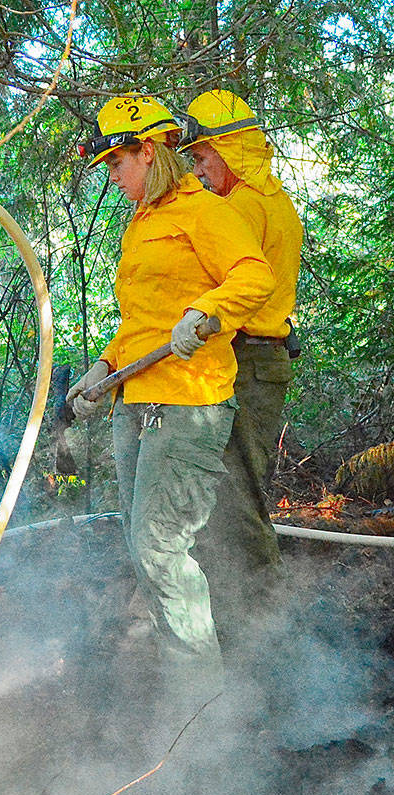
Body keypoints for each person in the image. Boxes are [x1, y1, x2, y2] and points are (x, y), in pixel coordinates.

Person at [66, 96, 274, 699]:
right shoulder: (143, 220)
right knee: (144, 549)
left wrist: (205, 313)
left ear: (149, 152)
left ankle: (200, 707)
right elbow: (144, 322)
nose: (112, 174)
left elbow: (253, 275)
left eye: (117, 161)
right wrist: (102, 370)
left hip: (188, 404)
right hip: (136, 402)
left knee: (160, 549)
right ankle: (185, 681)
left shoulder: (201, 210)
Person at [178, 90, 303, 642]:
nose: (201, 172)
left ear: (230, 149)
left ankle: (265, 631)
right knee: (240, 494)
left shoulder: (241, 207)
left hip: (248, 362)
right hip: (264, 362)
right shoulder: (276, 201)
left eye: (203, 159)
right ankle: (249, 614)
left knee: (238, 500)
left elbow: (233, 293)